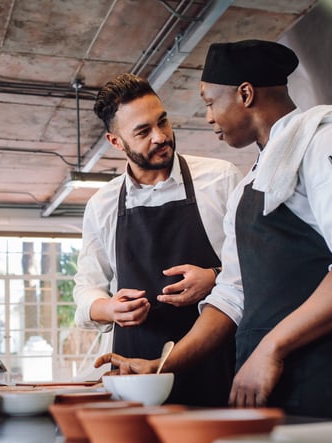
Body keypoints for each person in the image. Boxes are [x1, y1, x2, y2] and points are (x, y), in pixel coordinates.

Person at [95, 40, 332, 419]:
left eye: (210, 102)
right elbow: (233, 294)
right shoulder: (251, 183)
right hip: (273, 381)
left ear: (245, 94)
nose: (208, 118)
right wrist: (162, 367)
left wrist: (272, 347)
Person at [74, 73, 243, 406]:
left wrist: (213, 278)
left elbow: (255, 269)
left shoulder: (220, 179)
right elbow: (85, 287)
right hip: (136, 378)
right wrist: (108, 307)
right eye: (143, 131)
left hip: (218, 367)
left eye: (162, 122)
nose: (161, 137)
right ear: (115, 142)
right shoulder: (102, 205)